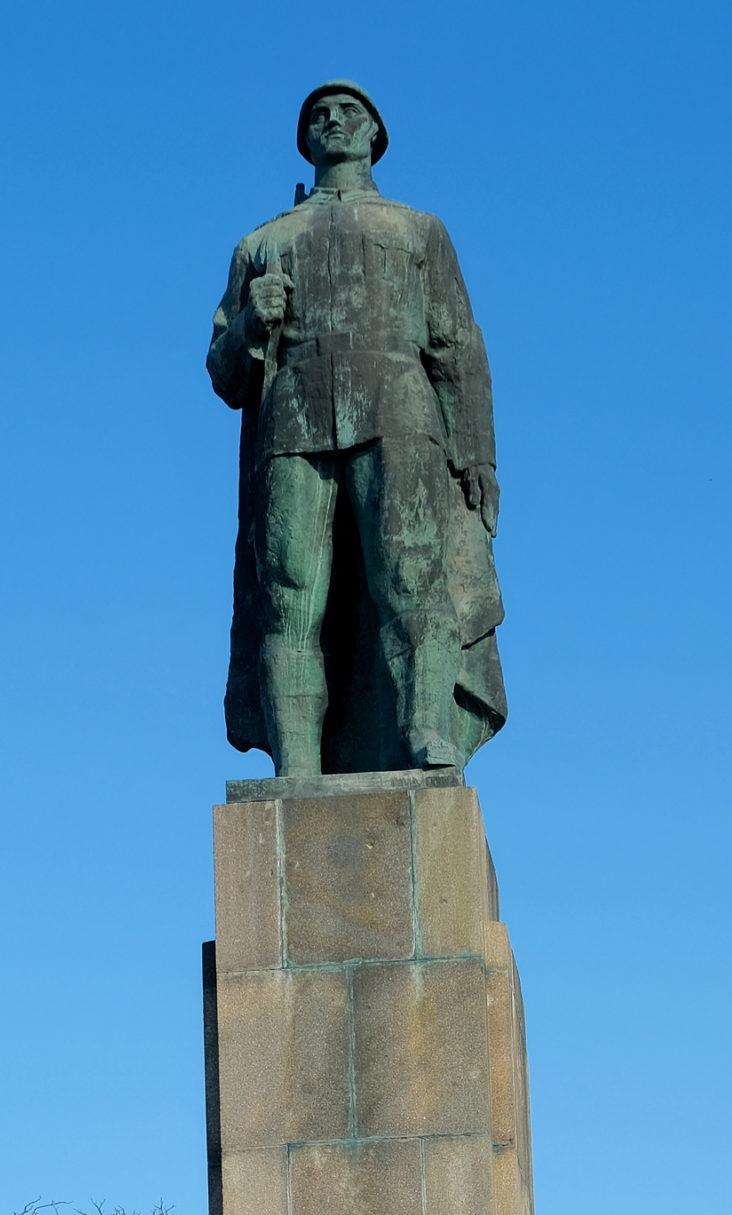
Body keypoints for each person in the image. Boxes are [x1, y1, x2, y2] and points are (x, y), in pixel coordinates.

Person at [209, 81, 505, 776]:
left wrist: (479, 459)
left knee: (411, 581)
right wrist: (252, 320)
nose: (333, 119)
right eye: (318, 114)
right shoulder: (262, 242)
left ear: (375, 134)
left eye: (350, 112)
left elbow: (459, 349)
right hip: (295, 420)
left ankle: (426, 732)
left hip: (400, 414)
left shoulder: (418, 229)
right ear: (305, 139)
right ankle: (298, 764)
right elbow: (223, 373)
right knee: (288, 595)